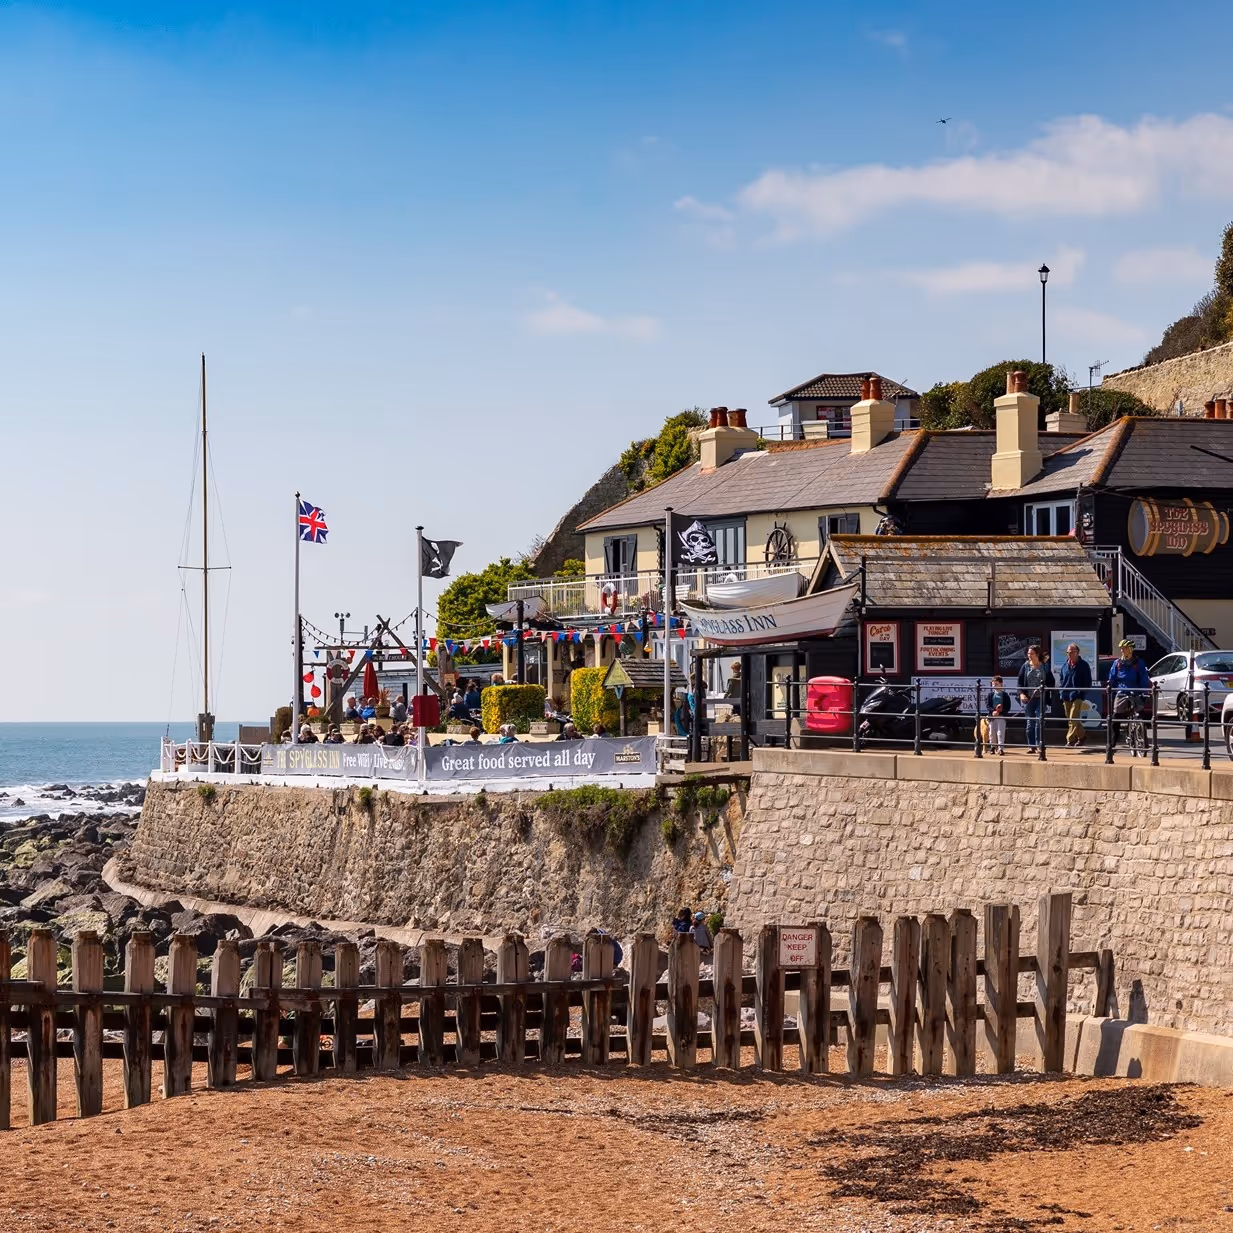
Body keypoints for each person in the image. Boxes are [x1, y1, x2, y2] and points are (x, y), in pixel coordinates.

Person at [1107, 637, 1151, 745]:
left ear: (1130, 649)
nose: (1122, 650)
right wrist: (1110, 687)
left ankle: (1143, 737)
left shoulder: (1138, 663)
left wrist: (1144, 692)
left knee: (1141, 714)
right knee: (1116, 716)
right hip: (1121, 691)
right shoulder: (1117, 663)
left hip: (1135, 691)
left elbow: (1143, 678)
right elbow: (1112, 677)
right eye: (1121, 648)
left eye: (1125, 648)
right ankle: (1113, 741)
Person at [1017, 645, 1054, 753]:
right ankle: (1031, 746)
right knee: (1030, 722)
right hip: (1029, 699)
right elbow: (1019, 683)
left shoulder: (1045, 666)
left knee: (1039, 721)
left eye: (1031, 653)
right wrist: (1021, 694)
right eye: (1028, 653)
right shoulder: (1025, 666)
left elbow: (1051, 682)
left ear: (1037, 654)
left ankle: (1039, 745)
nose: (1029, 656)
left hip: (1041, 698)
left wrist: (1045, 689)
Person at [1058, 643, 1094, 747]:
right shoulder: (1065, 666)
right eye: (1068, 652)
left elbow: (1087, 681)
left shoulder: (1083, 665)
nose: (1069, 654)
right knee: (1070, 718)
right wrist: (1061, 691)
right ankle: (1082, 736)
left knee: (1073, 718)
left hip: (1077, 695)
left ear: (1077, 653)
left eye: (1071, 652)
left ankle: (1070, 740)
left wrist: (1081, 692)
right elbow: (1061, 679)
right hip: (1066, 695)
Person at [985, 676, 1012, 756]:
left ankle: (1000, 748)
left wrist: (1001, 712)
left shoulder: (1005, 695)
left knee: (1000, 733)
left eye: (996, 684)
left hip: (1001, 716)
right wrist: (993, 711)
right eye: (993, 684)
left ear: (1001, 684)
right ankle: (992, 747)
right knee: (991, 733)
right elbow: (987, 705)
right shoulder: (990, 695)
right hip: (992, 716)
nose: (994, 686)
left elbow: (1008, 706)